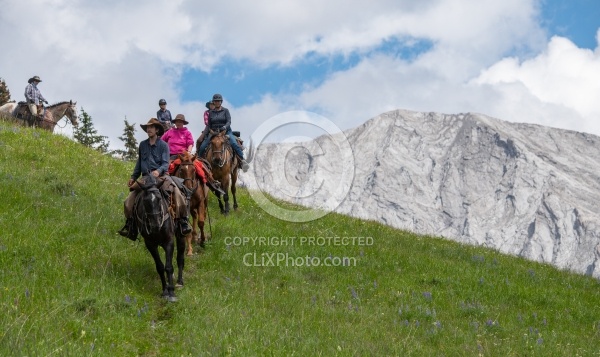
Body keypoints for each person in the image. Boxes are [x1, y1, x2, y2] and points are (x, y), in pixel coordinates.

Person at [118, 118, 192, 240]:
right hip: (146, 179)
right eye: (147, 128)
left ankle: (183, 221)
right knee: (128, 201)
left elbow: (165, 163)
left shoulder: (164, 145)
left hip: (162, 177)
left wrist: (158, 171)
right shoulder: (142, 145)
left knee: (177, 193)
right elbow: (139, 163)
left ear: (157, 130)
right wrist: (133, 177)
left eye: (151, 127)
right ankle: (131, 226)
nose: (148, 129)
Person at [197, 93, 249, 172]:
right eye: (215, 101)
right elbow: (209, 124)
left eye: (218, 101)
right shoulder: (211, 112)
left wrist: (224, 127)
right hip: (213, 132)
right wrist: (210, 130)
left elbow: (229, 122)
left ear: (221, 102)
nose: (217, 102)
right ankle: (199, 162)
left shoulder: (225, 111)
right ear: (214, 102)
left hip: (226, 131)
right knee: (203, 146)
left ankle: (242, 160)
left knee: (234, 143)